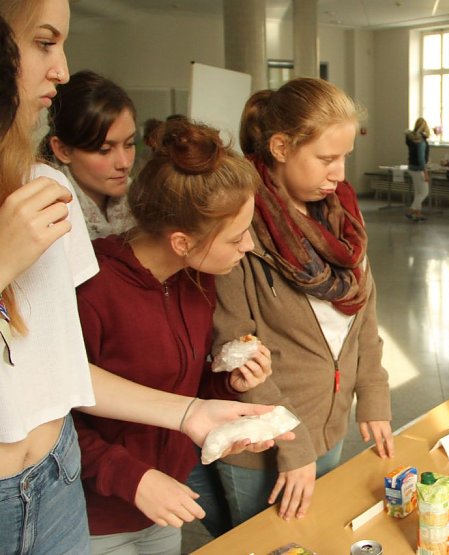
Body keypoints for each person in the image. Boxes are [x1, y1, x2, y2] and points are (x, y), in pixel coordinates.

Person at [0, 2, 287, 553]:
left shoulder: (192, 283)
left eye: (128, 144)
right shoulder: (99, 279)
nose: (61, 69)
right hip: (93, 501)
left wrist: (212, 397)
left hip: (99, 488)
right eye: (44, 42)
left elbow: (63, 376)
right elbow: (72, 392)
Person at [72, 119, 271, 552]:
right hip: (94, 519)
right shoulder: (92, 289)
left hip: (166, 503)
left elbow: (182, 390)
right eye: (237, 237)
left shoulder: (195, 279)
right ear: (181, 241)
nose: (250, 246)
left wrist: (227, 383)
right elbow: (54, 419)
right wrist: (133, 477)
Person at [212, 78, 395, 526]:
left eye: (345, 157)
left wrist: (371, 391)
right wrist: (292, 444)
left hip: (328, 426)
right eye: (326, 159)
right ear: (279, 147)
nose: (340, 174)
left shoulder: (342, 217)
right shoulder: (240, 227)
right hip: (264, 447)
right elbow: (237, 353)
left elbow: (364, 317)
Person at [45, 69, 136, 239]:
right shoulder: (50, 218)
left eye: (129, 144)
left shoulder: (141, 202)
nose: (124, 163)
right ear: (63, 150)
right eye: (104, 150)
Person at [405, 117, 431, 221]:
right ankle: (412, 210)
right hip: (419, 169)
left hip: (411, 167)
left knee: (418, 192)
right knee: (424, 192)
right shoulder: (420, 140)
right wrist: (425, 172)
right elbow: (421, 158)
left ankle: (417, 213)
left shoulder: (411, 138)